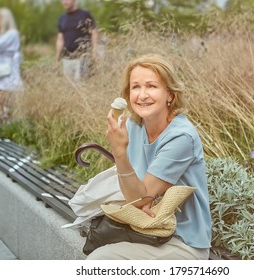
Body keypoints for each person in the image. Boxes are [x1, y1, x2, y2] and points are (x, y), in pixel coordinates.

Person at [88, 54, 212, 260]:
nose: (142, 95)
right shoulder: (133, 126)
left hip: (182, 241)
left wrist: (120, 153)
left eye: (152, 86)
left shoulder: (181, 137)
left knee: (99, 261)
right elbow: (139, 196)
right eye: (135, 87)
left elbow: (137, 197)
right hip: (145, 230)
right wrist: (143, 198)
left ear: (170, 95)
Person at [0, 7, 23, 124]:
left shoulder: (12, 34)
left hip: (7, 69)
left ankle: (7, 120)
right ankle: (0, 120)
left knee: (7, 95)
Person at [56, 0, 99, 82]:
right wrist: (58, 56)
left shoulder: (84, 14)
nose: (64, 2)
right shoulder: (62, 18)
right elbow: (60, 38)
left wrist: (94, 51)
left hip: (83, 57)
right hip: (67, 59)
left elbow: (94, 32)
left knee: (81, 85)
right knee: (69, 87)